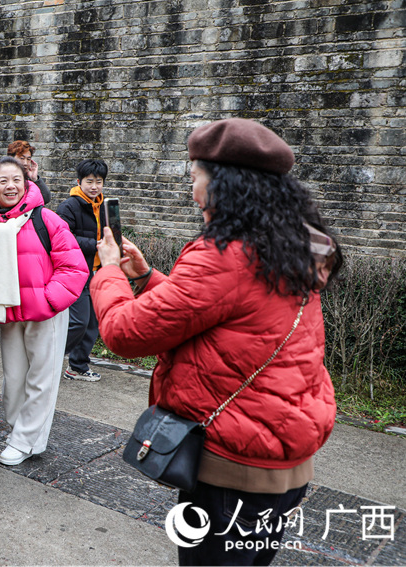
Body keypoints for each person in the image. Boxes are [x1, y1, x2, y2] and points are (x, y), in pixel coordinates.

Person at [91, 118, 341, 566]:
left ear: (223, 185)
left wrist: (108, 271)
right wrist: (147, 278)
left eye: (195, 177)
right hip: (281, 460)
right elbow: (231, 320)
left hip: (233, 470)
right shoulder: (292, 245)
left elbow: (123, 333)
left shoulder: (224, 254)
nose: (192, 190)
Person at [0, 156, 87, 465]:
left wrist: (47, 300)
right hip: (9, 313)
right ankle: (26, 434)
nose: (10, 186)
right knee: (13, 379)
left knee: (42, 378)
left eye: (17, 179)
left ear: (26, 183)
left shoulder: (46, 219)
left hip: (46, 312)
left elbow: (74, 268)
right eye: (3, 181)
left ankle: (24, 438)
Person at [56, 159, 108, 382]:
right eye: (89, 182)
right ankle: (48, 355)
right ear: (79, 182)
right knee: (78, 321)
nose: (94, 186)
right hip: (76, 272)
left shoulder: (104, 205)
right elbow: (61, 238)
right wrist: (95, 243)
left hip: (97, 271)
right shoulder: (69, 206)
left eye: (99, 182)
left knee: (92, 323)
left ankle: (77, 366)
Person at [7, 140, 50, 204]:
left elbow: (45, 199)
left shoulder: (29, 179)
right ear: (11, 158)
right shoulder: (2, 176)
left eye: (28, 159)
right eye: (21, 158)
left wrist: (35, 179)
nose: (25, 163)